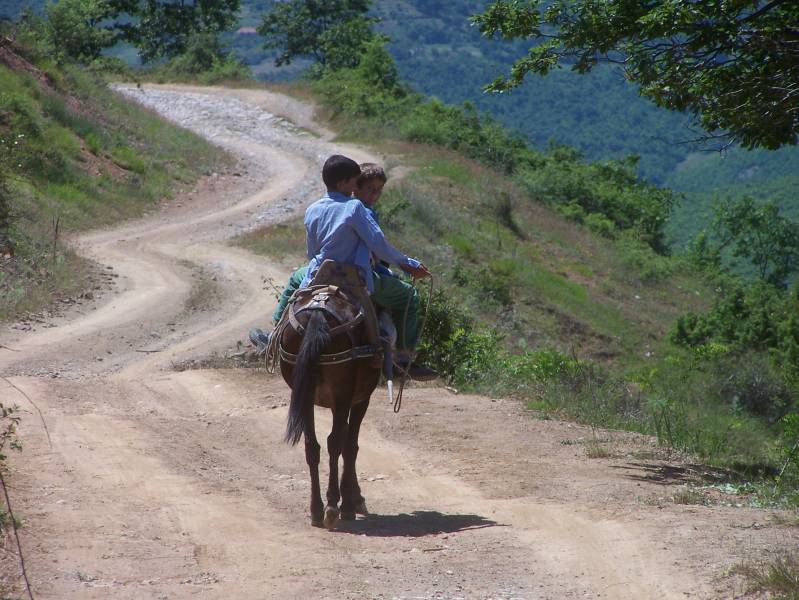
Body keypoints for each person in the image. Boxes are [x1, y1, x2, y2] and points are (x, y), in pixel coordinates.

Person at [250, 155, 436, 380]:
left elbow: (312, 252)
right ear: (343, 184)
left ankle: (274, 336)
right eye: (353, 182)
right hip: (352, 277)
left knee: (294, 281)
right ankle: (404, 360)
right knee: (410, 296)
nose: (355, 187)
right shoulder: (355, 207)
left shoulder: (312, 209)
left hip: (319, 273)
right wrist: (410, 266)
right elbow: (378, 245)